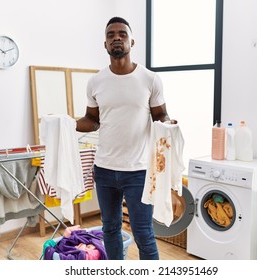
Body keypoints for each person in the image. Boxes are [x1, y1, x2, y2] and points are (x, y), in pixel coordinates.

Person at [76, 16, 176, 260]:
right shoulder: (96, 81)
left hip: (139, 171)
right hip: (104, 170)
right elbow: (92, 119)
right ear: (105, 44)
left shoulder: (149, 79)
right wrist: (67, 123)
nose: (116, 38)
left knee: (143, 232)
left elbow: (160, 114)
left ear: (132, 41)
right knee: (110, 229)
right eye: (111, 35)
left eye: (122, 34)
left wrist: (167, 124)